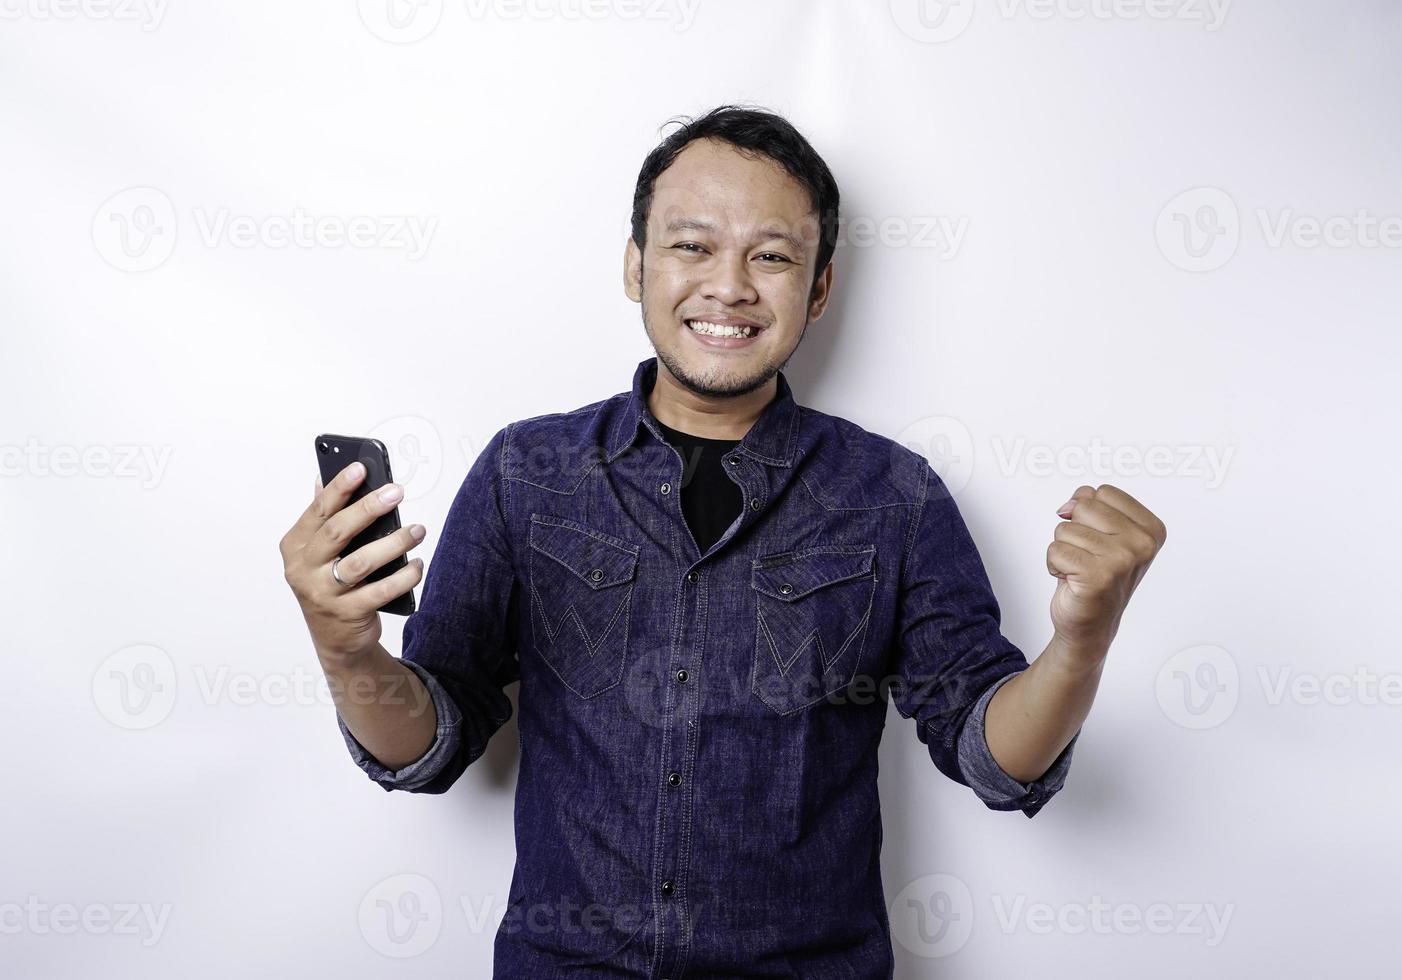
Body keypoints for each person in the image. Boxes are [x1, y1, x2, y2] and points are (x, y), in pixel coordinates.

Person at [279, 104, 1166, 978]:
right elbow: (429, 748)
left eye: (772, 256)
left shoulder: (894, 494)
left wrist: (1082, 643)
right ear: (636, 265)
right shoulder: (525, 472)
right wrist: (343, 644)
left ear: (819, 288)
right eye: (691, 245)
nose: (730, 285)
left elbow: (992, 758)